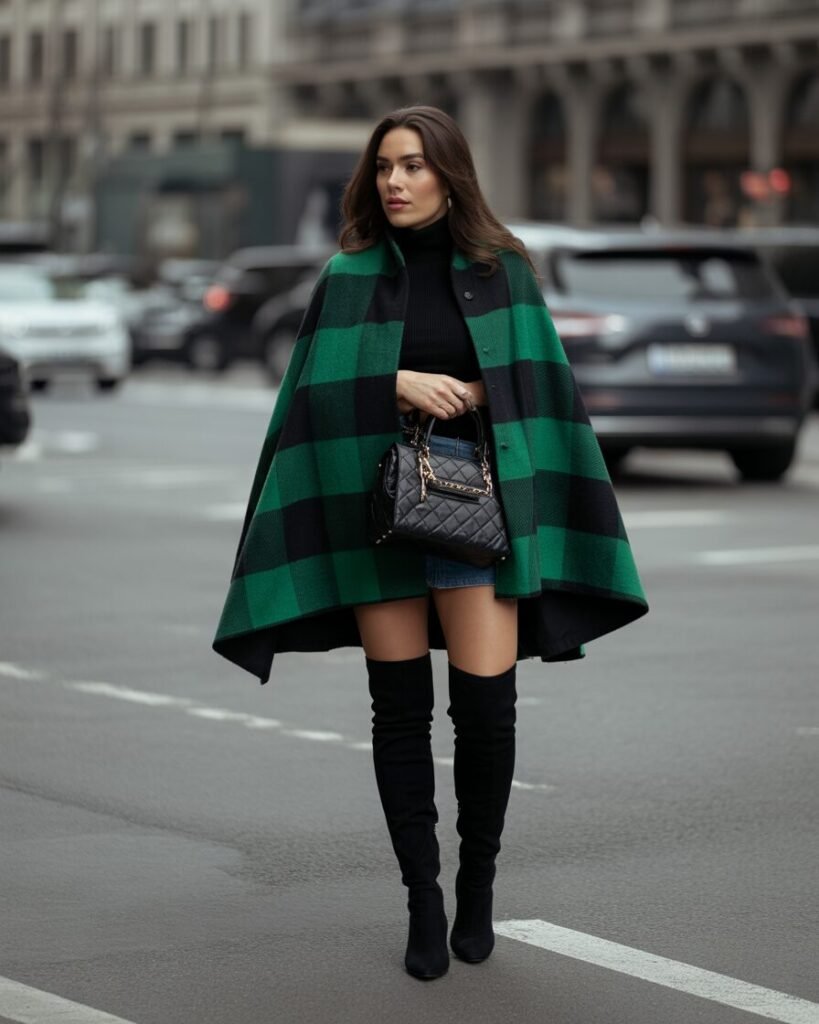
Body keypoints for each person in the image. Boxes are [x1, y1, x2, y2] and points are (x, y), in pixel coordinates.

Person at [213, 106, 648, 981]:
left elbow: (539, 391)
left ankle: (477, 886)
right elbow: (311, 399)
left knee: (485, 713)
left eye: (412, 165)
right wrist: (394, 379)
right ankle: (423, 896)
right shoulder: (348, 274)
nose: (395, 183)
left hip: (472, 504)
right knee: (399, 712)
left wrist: (473, 395)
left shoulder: (503, 271)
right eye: (383, 168)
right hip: (373, 505)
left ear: (450, 173)